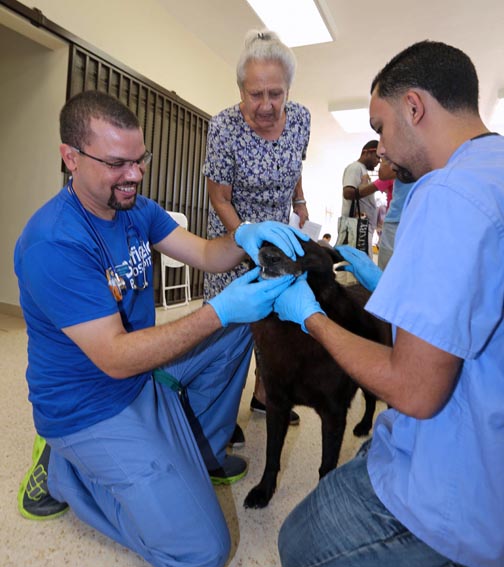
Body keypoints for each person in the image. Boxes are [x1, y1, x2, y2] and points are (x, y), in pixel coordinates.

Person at [14, 90, 306, 567]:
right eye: (116, 163)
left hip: (140, 376)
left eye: (139, 159)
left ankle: (197, 455)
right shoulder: (53, 243)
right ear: (70, 158)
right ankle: (68, 472)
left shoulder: (136, 210)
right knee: (202, 549)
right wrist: (218, 311)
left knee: (238, 327)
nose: (134, 175)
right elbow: (114, 356)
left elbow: (209, 255)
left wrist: (246, 234)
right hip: (89, 404)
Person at [273, 40, 504, 567]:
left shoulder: (446, 193)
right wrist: (384, 282)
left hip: (462, 495)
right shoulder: (495, 167)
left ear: (415, 107)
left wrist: (309, 318)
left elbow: (414, 389)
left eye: (380, 127)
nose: (381, 147)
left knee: (299, 541)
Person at [203, 29, 310, 437]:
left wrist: (299, 205)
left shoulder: (301, 118)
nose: (266, 105)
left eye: (276, 94)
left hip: (277, 234)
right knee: (228, 328)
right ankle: (218, 415)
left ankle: (264, 396)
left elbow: (296, 165)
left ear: (288, 91)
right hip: (234, 234)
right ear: (240, 91)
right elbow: (219, 198)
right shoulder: (224, 127)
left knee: (274, 322)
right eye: (255, 95)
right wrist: (248, 242)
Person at [340, 140, 381, 257]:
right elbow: (347, 193)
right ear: (366, 152)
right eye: (377, 157)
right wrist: (374, 186)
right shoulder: (355, 168)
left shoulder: (361, 169)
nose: (378, 161)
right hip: (357, 229)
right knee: (358, 270)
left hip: (361, 230)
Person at [377, 160, 415, 269]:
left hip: (423, 218)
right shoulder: (400, 149)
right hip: (396, 220)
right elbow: (384, 174)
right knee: (386, 273)